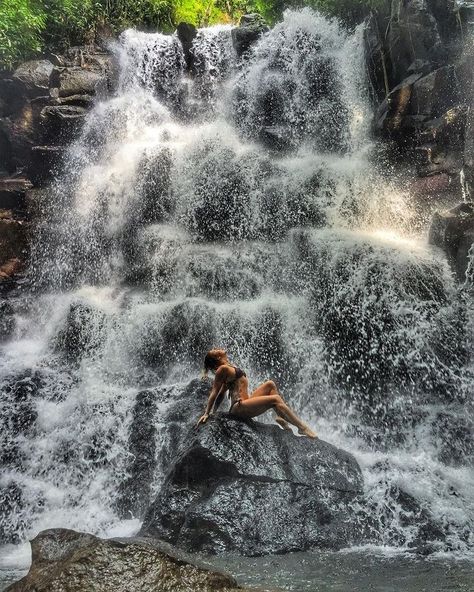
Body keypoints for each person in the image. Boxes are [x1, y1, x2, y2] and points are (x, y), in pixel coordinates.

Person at [197, 348, 317, 438]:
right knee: (275, 399)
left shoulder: (228, 367)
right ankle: (302, 428)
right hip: (238, 408)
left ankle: (282, 418)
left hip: (246, 402)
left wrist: (213, 412)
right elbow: (216, 392)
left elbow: (222, 393)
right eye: (214, 350)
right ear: (217, 357)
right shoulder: (222, 370)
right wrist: (208, 413)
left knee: (270, 384)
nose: (217, 348)